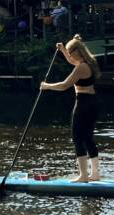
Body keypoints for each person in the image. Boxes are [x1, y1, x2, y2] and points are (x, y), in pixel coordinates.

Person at [40, 35, 102, 182]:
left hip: (83, 104)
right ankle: (95, 174)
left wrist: (47, 86)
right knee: (88, 138)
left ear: (76, 51)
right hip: (93, 103)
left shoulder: (81, 68)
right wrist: (63, 50)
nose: (70, 55)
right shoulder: (90, 61)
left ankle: (83, 176)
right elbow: (71, 60)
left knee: (77, 138)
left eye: (70, 51)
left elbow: (64, 85)